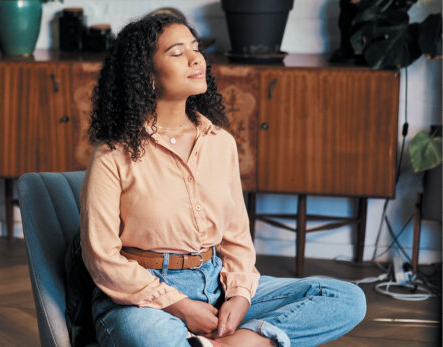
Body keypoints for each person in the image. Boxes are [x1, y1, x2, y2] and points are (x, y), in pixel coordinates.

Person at [79, 14, 367, 347]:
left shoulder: (220, 143)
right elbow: (101, 256)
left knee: (345, 298)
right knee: (146, 336)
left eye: (195, 47)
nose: (195, 58)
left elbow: (236, 241)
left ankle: (233, 343)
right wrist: (181, 307)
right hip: (143, 294)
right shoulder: (113, 153)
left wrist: (239, 297)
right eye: (177, 52)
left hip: (216, 283)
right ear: (148, 76)